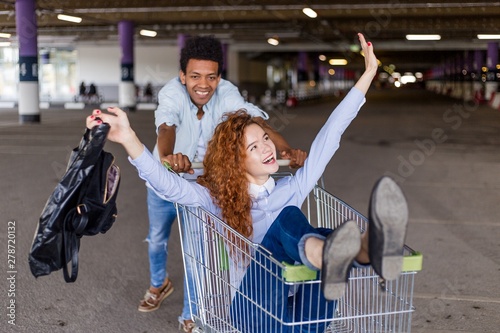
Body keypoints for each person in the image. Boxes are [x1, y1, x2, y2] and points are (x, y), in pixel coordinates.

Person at [86, 33, 408, 332]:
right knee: (289, 220)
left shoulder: (289, 188)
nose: (268, 148)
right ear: (236, 161)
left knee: (307, 239)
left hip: (297, 315)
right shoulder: (216, 201)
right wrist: (128, 139)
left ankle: (361, 250)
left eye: (265, 139)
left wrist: (367, 75)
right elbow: (165, 185)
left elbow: (330, 135)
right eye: (253, 147)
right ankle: (331, 253)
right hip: (252, 312)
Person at [142, 35, 307, 332]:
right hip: (165, 182)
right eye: (194, 76)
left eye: (211, 76)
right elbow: (167, 126)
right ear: (183, 76)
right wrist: (167, 157)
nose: (203, 84)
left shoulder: (227, 93)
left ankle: (190, 313)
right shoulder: (172, 94)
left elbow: (256, 123)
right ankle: (158, 284)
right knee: (157, 239)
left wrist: (285, 151)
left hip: (198, 188)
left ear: (219, 76)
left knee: (195, 253)